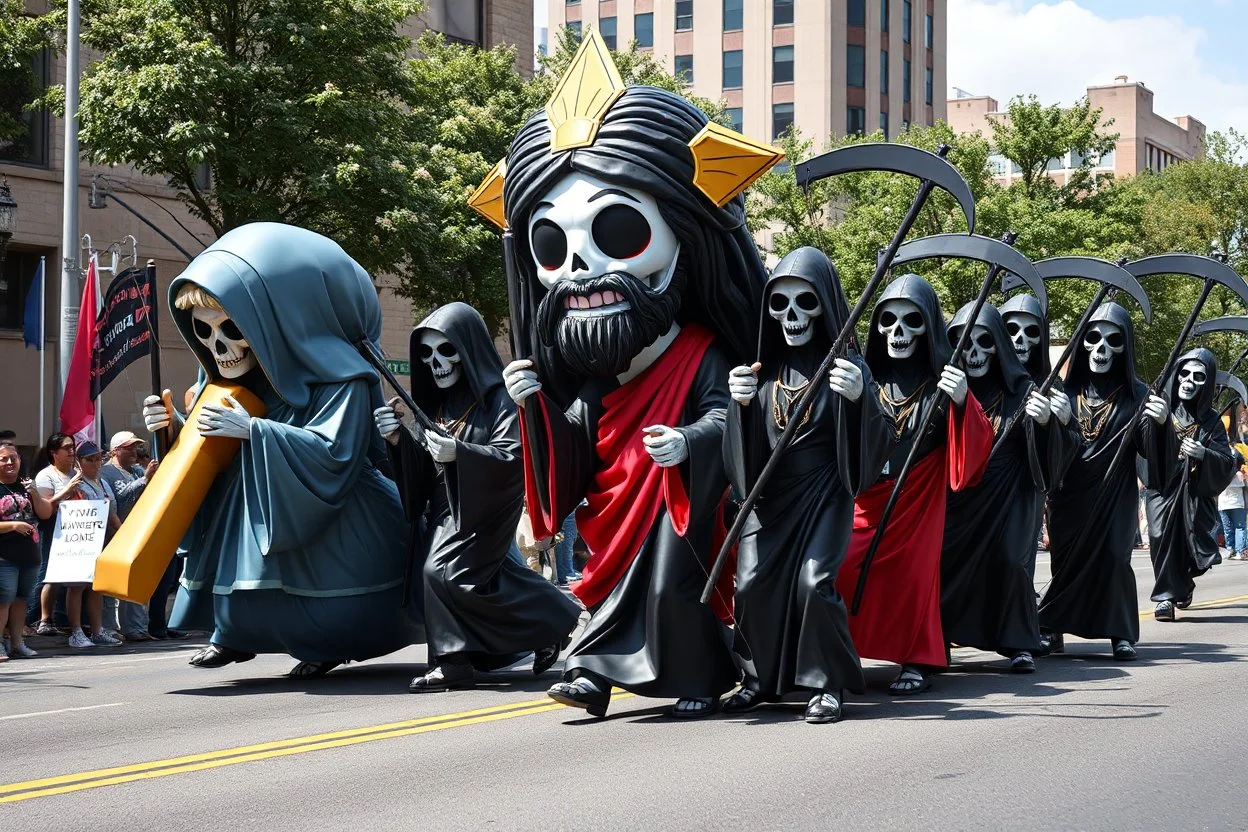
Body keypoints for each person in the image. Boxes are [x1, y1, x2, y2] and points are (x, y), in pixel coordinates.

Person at [496, 32, 780, 718]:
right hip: (614, 511)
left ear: (685, 235)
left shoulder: (702, 351)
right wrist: (535, 407)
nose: (580, 268)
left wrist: (689, 442)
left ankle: (691, 675)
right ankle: (593, 673)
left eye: (618, 232)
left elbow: (727, 419)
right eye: (552, 245)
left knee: (669, 572)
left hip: (684, 500)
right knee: (611, 574)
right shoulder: (599, 373)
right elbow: (574, 443)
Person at [141, 223, 423, 675]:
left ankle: (324, 644)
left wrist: (255, 431)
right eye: (204, 333)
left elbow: (334, 453)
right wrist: (170, 429)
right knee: (237, 582)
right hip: (244, 504)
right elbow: (203, 450)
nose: (219, 347)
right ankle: (234, 636)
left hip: (322, 512)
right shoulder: (224, 383)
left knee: (325, 597)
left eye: (231, 329)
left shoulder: (341, 379)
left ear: (276, 322)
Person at [722, 248, 892, 723]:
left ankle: (825, 684)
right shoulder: (762, 374)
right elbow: (741, 455)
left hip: (824, 495)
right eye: (781, 304)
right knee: (750, 584)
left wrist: (859, 400)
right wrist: (740, 407)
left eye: (805, 302)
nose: (792, 316)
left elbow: (877, 443)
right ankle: (757, 679)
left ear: (825, 305)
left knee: (814, 584)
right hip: (770, 500)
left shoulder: (848, 367)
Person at [378, 302, 580, 692]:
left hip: (484, 504)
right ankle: (551, 622)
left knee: (440, 572)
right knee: (482, 578)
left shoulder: (499, 399)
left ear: (467, 348)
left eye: (445, 350)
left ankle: (453, 663)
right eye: (427, 354)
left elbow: (514, 456)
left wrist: (461, 454)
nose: (436, 363)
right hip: (444, 507)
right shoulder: (437, 404)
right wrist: (398, 438)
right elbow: (426, 466)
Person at [835, 275, 993, 695]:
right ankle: (838, 651)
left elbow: (976, 446)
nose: (898, 332)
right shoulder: (867, 377)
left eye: (911, 321)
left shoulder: (941, 383)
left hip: (917, 500)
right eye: (888, 321)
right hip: (867, 498)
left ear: (928, 327)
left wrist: (962, 399)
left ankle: (918, 658)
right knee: (842, 568)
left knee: (912, 578)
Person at [939, 303, 1078, 673]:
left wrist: (1048, 423)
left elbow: (1055, 453)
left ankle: (1018, 641)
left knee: (1011, 561)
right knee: (947, 562)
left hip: (1013, 493)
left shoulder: (1024, 390)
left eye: (984, 342)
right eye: (965, 344)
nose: (974, 354)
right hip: (961, 497)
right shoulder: (947, 387)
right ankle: (942, 637)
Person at [1040, 303, 1170, 660]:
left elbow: (1149, 449)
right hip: (1070, 495)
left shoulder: (1138, 395)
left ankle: (1119, 633)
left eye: (1113, 340)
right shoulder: (1065, 392)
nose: (1101, 348)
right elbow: (1048, 448)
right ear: (1082, 343)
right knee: (1065, 561)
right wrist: (1056, 422)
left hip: (1115, 496)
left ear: (1125, 346)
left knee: (1114, 559)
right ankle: (1052, 628)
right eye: (1094, 338)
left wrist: (1160, 425)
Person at [1144, 349, 1236, 620]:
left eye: (1198, 376)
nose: (1189, 381)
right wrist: (1160, 427)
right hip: (1161, 487)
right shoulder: (1162, 409)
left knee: (1190, 543)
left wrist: (1203, 453)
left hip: (1193, 492)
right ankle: (1165, 597)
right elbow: (1140, 444)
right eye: (1185, 373)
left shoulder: (1212, 420)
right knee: (1159, 536)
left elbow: (1226, 460)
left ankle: (1180, 586)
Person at [101, 431, 160, 641]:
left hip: (137, 533)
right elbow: (120, 501)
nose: (134, 451)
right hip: (114, 534)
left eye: (136, 446)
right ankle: (108, 627)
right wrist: (144, 479)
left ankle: (136, 627)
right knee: (111, 584)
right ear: (115, 451)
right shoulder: (106, 473)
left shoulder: (136, 470)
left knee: (136, 581)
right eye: (129, 447)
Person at [64, 442, 124, 647]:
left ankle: (97, 630)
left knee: (96, 586)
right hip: (81, 541)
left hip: (102, 541)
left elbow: (111, 511)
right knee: (77, 586)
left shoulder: (103, 482)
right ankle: (76, 632)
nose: (96, 463)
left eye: (98, 458)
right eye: (90, 459)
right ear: (79, 462)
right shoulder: (76, 483)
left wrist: (122, 533)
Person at [0, 444, 51, 658]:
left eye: (13, 458)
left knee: (22, 599)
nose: (10, 463)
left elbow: (45, 513)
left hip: (30, 555)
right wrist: (13, 525)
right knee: (4, 600)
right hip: (4, 557)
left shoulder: (26, 485)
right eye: (4, 459)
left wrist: (34, 494)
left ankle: (17, 643)